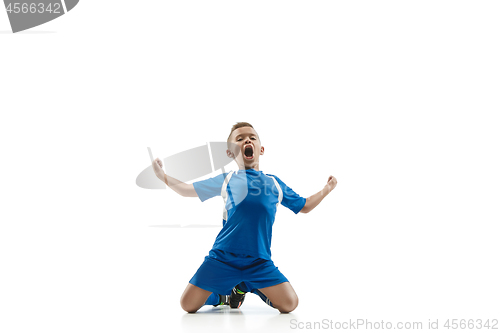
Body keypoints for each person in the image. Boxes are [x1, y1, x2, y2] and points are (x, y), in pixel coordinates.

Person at [152, 122, 337, 313]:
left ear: (261, 149)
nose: (247, 139)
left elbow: (304, 206)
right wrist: (161, 175)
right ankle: (222, 297)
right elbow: (185, 190)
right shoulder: (226, 180)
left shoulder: (274, 183)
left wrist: (326, 190)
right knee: (187, 305)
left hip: (259, 261)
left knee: (290, 304)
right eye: (239, 139)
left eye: (252, 137)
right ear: (230, 153)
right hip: (222, 258)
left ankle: (244, 287)